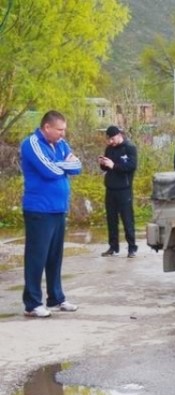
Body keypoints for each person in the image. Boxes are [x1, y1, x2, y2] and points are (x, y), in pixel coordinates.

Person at [20, 110, 81, 317]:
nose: (63, 134)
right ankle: (32, 303)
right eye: (60, 130)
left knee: (55, 256)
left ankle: (56, 298)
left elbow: (77, 166)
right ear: (47, 127)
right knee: (37, 256)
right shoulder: (32, 144)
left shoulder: (61, 144)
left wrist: (62, 165)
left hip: (58, 208)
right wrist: (64, 165)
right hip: (39, 209)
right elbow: (49, 171)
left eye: (64, 130)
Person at [99, 126, 138, 258]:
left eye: (113, 138)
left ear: (119, 135)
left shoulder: (129, 148)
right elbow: (106, 167)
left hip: (124, 189)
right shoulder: (109, 149)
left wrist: (113, 166)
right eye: (109, 139)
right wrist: (103, 163)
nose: (111, 141)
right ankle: (113, 246)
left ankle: (132, 247)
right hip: (110, 188)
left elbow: (131, 166)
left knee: (127, 219)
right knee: (111, 219)